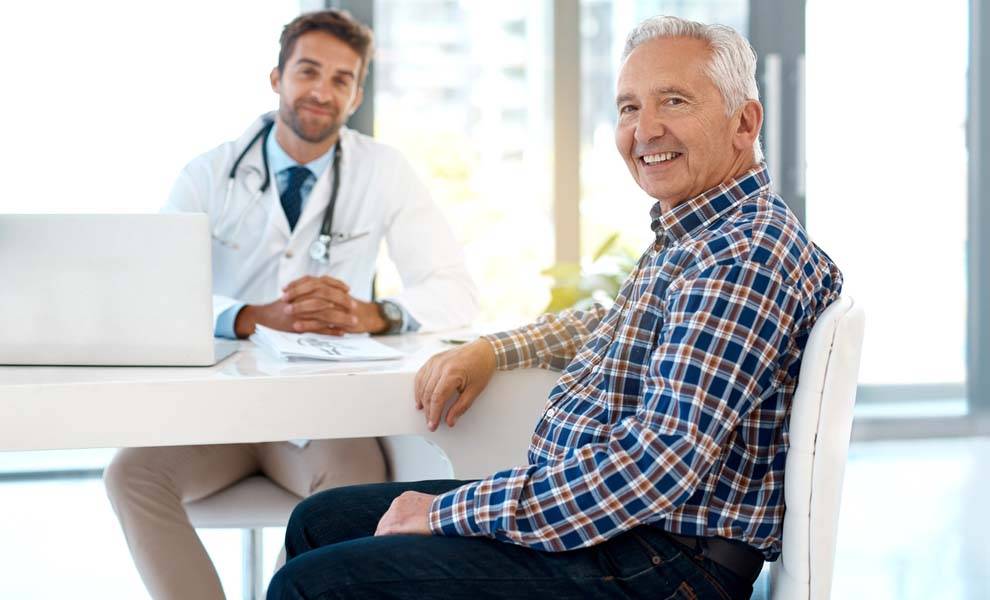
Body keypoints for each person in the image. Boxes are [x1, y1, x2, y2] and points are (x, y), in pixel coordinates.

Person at [265, 15, 844, 600]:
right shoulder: (702, 230)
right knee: (319, 520)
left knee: (311, 585)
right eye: (627, 108)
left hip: (658, 562)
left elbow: (656, 466)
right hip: (624, 533)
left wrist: (449, 513)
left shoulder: (738, 257)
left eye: (673, 101)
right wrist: (493, 349)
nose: (644, 130)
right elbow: (611, 322)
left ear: (744, 121)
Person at [103, 9, 478, 600]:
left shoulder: (384, 172)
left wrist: (375, 314)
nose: (322, 91)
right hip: (217, 417)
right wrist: (248, 317)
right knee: (130, 474)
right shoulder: (208, 174)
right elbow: (152, 295)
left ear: (355, 96)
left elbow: (455, 291)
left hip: (322, 416)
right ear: (277, 77)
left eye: (341, 79)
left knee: (350, 492)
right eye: (309, 71)